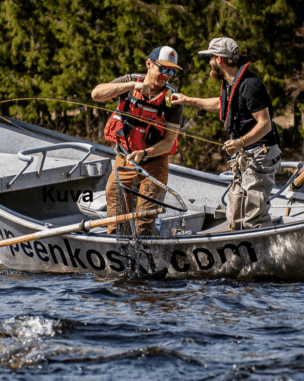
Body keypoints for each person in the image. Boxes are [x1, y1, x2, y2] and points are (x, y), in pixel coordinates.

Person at [171, 37, 281, 229]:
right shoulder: (231, 83)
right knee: (235, 214)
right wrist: (187, 100)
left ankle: (264, 252)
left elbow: (265, 124)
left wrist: (240, 143)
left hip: (259, 156)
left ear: (219, 60)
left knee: (253, 218)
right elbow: (221, 104)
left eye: (210, 58)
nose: (209, 63)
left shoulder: (250, 85)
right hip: (245, 156)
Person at [91, 46, 184, 236]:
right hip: (124, 159)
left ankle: (147, 257)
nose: (166, 75)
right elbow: (97, 94)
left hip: (154, 164)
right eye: (163, 69)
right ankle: (117, 254)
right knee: (116, 220)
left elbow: (168, 142)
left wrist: (146, 153)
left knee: (144, 224)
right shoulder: (129, 82)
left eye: (171, 71)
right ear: (149, 64)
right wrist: (132, 86)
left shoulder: (171, 99)